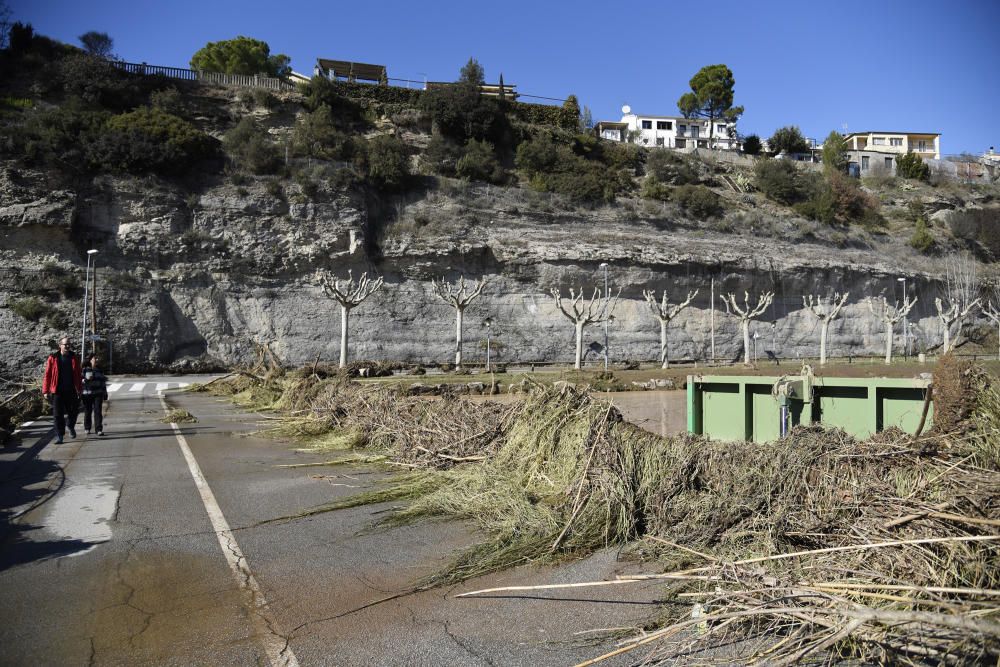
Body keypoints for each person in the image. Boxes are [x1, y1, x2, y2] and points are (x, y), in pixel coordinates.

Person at [42, 336, 83, 444]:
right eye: (65, 344)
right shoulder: (53, 357)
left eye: (69, 344)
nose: (68, 346)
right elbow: (48, 375)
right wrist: (45, 390)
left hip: (71, 390)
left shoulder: (74, 357)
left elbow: (78, 374)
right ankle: (60, 435)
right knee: (57, 414)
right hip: (58, 391)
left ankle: (70, 425)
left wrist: (79, 388)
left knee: (74, 411)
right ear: (60, 345)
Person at [81, 354, 109, 436]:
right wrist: (85, 379)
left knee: (98, 411)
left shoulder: (99, 370)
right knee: (88, 411)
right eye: (94, 358)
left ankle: (99, 429)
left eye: (97, 358)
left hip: (98, 393)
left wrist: (105, 393)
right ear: (90, 360)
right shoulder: (84, 369)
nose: (96, 359)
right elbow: (80, 380)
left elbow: (103, 382)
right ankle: (87, 428)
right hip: (87, 393)